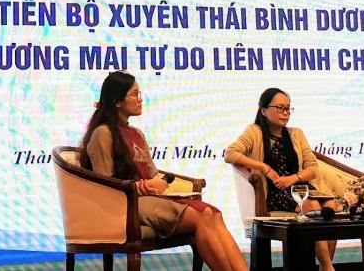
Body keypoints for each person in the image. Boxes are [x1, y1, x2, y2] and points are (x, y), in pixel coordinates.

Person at [79, 71, 248, 271]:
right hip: (128, 205)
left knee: (213, 214)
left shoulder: (137, 134)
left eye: (139, 93)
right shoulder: (103, 133)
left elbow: (152, 174)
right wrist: (139, 187)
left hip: (150, 199)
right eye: (134, 94)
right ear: (117, 101)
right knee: (202, 217)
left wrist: (159, 183)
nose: (140, 99)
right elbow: (105, 186)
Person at [224, 87, 338, 271]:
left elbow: (312, 168)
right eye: (280, 108)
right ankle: (328, 267)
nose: (285, 113)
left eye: (288, 109)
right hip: (276, 193)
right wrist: (264, 168)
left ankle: (324, 265)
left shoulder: (296, 134)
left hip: (300, 188)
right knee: (312, 205)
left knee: (330, 206)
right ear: (263, 110)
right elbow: (230, 154)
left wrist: (293, 178)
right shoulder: (254, 132)